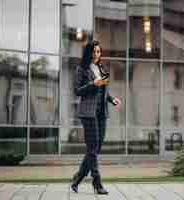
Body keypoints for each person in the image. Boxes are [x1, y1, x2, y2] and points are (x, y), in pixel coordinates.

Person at [71, 40, 121, 195]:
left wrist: (112, 99)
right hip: (88, 113)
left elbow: (104, 91)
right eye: (94, 52)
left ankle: (78, 177)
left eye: (99, 51)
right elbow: (77, 91)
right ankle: (97, 183)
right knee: (93, 148)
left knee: (96, 148)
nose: (96, 54)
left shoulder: (101, 68)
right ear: (89, 53)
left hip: (101, 113)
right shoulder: (81, 69)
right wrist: (93, 83)